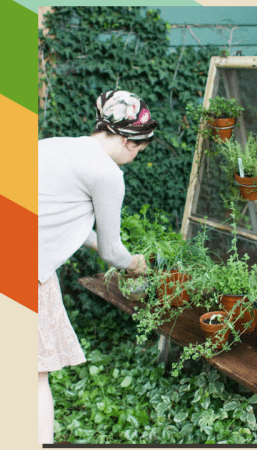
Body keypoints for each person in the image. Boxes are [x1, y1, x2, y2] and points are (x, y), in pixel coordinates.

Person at [38, 90, 156, 444]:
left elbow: (56, 214)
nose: (134, 156)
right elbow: (111, 250)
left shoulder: (54, 145)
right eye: (138, 149)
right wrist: (134, 264)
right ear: (126, 139)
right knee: (35, 377)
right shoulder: (106, 174)